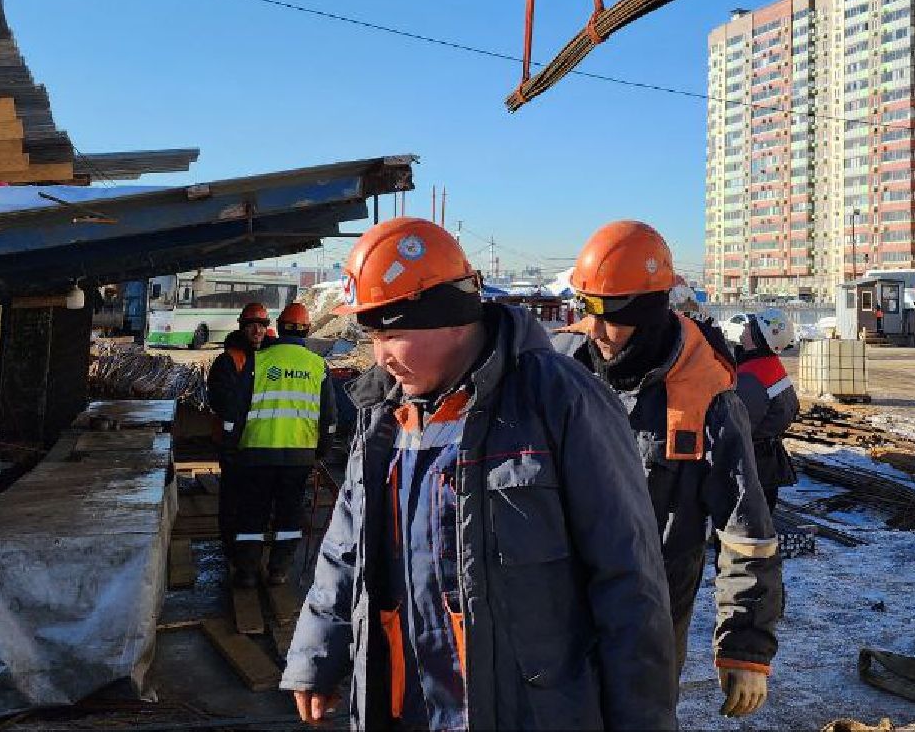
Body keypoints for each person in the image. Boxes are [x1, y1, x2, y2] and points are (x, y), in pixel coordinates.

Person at [281, 218, 677, 731]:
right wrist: (317, 652)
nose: (379, 355)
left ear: (450, 319)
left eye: (392, 334)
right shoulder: (385, 414)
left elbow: (629, 579)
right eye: (371, 335)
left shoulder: (559, 402)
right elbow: (346, 546)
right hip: (408, 707)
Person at [551, 220, 782, 719]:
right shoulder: (557, 369)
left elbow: (746, 531)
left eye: (612, 315)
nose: (596, 330)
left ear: (651, 312)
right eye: (587, 310)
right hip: (553, 611)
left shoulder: (706, 397)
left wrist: (745, 644)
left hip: (649, 620)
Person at [229, 302, 336, 586]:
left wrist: (231, 444)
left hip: (257, 453)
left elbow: (237, 408)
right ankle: (279, 570)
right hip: (298, 456)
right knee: (289, 513)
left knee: (252, 511)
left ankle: (248, 570)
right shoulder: (317, 366)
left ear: (280, 325)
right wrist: (321, 451)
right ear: (307, 329)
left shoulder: (259, 361)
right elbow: (329, 417)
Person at [206, 301, 272, 553]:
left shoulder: (267, 358)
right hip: (233, 443)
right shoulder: (228, 361)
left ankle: (249, 548)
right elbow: (221, 402)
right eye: (252, 325)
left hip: (259, 441)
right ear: (242, 327)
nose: (257, 331)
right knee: (233, 497)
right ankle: (231, 547)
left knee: (256, 499)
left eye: (262, 325)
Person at [721, 311, 799, 513]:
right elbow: (792, 408)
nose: (744, 329)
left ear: (758, 336)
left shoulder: (751, 376)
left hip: (753, 464)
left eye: (749, 327)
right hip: (766, 459)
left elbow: (737, 426)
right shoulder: (769, 365)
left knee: (747, 526)